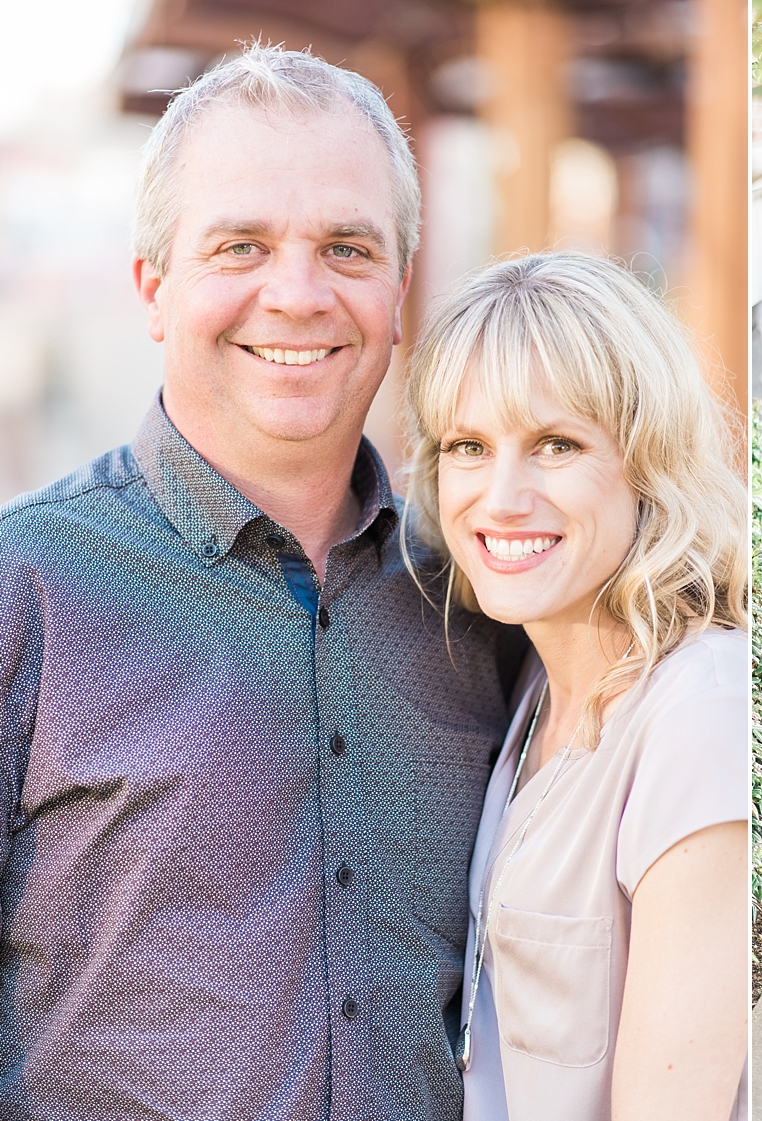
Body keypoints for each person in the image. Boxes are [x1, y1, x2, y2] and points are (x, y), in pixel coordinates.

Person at [0, 48, 530, 1118]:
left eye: (346, 247)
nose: (295, 293)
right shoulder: (29, 586)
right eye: (240, 244)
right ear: (154, 285)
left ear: (396, 293)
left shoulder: (486, 603)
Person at [401, 252, 749, 1120]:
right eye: (468, 447)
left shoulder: (694, 716)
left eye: (556, 444)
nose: (502, 496)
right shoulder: (532, 688)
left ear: (645, 462)